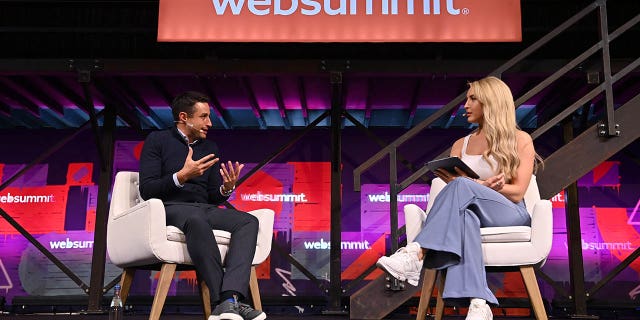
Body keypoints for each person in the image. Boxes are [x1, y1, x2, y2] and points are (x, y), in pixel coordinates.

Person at [376, 76, 543, 320]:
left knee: (462, 185)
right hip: (472, 212)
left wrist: (482, 186)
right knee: (465, 218)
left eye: (473, 98)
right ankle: (478, 304)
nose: (465, 105)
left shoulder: (520, 140)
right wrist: (473, 185)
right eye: (467, 98)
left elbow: (518, 192)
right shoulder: (460, 145)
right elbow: (456, 192)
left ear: (491, 102)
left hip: (508, 212)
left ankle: (416, 253)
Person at [139, 91, 266, 320]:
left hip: (203, 208)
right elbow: (147, 190)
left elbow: (212, 196)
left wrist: (226, 188)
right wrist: (181, 176)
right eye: (204, 116)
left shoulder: (210, 147)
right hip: (171, 208)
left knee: (248, 221)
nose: (209, 123)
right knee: (197, 222)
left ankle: (231, 298)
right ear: (184, 117)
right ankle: (224, 302)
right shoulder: (157, 140)